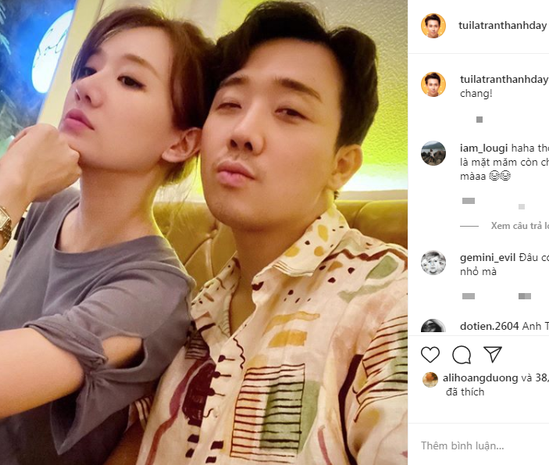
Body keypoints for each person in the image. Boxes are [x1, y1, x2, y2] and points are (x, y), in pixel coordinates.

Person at [128, 2, 407, 464]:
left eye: (290, 111)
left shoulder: (393, 303)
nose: (242, 131)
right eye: (229, 104)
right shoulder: (187, 316)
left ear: (341, 166)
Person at [0, 8, 213, 464]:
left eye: (129, 80)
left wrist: (10, 186)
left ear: (181, 142)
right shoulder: (51, 208)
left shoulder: (154, 291)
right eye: (88, 69)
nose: (86, 87)